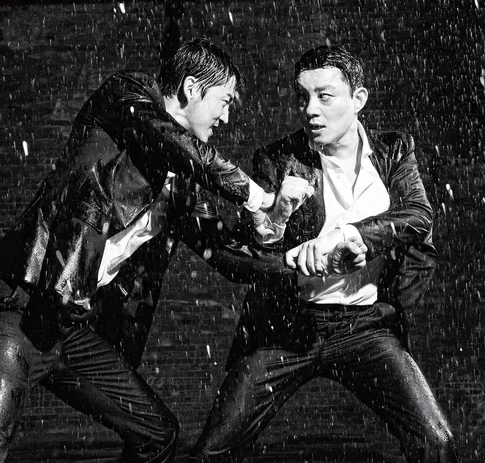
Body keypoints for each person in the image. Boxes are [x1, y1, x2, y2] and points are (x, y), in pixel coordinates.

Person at [0, 38, 312, 463]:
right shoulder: (125, 97)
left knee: (156, 435)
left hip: (67, 324)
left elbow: (226, 255)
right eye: (225, 101)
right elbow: (178, 145)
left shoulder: (182, 186)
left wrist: (294, 254)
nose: (227, 117)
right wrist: (256, 195)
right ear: (192, 88)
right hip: (19, 302)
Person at [188, 45, 460, 462]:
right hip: (285, 327)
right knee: (213, 451)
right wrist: (278, 217)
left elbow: (417, 216)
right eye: (303, 97)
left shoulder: (393, 151)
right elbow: (250, 252)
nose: (310, 110)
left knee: (435, 442)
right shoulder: (278, 159)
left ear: (358, 99)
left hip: (365, 327)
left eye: (324, 96)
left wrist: (348, 236)